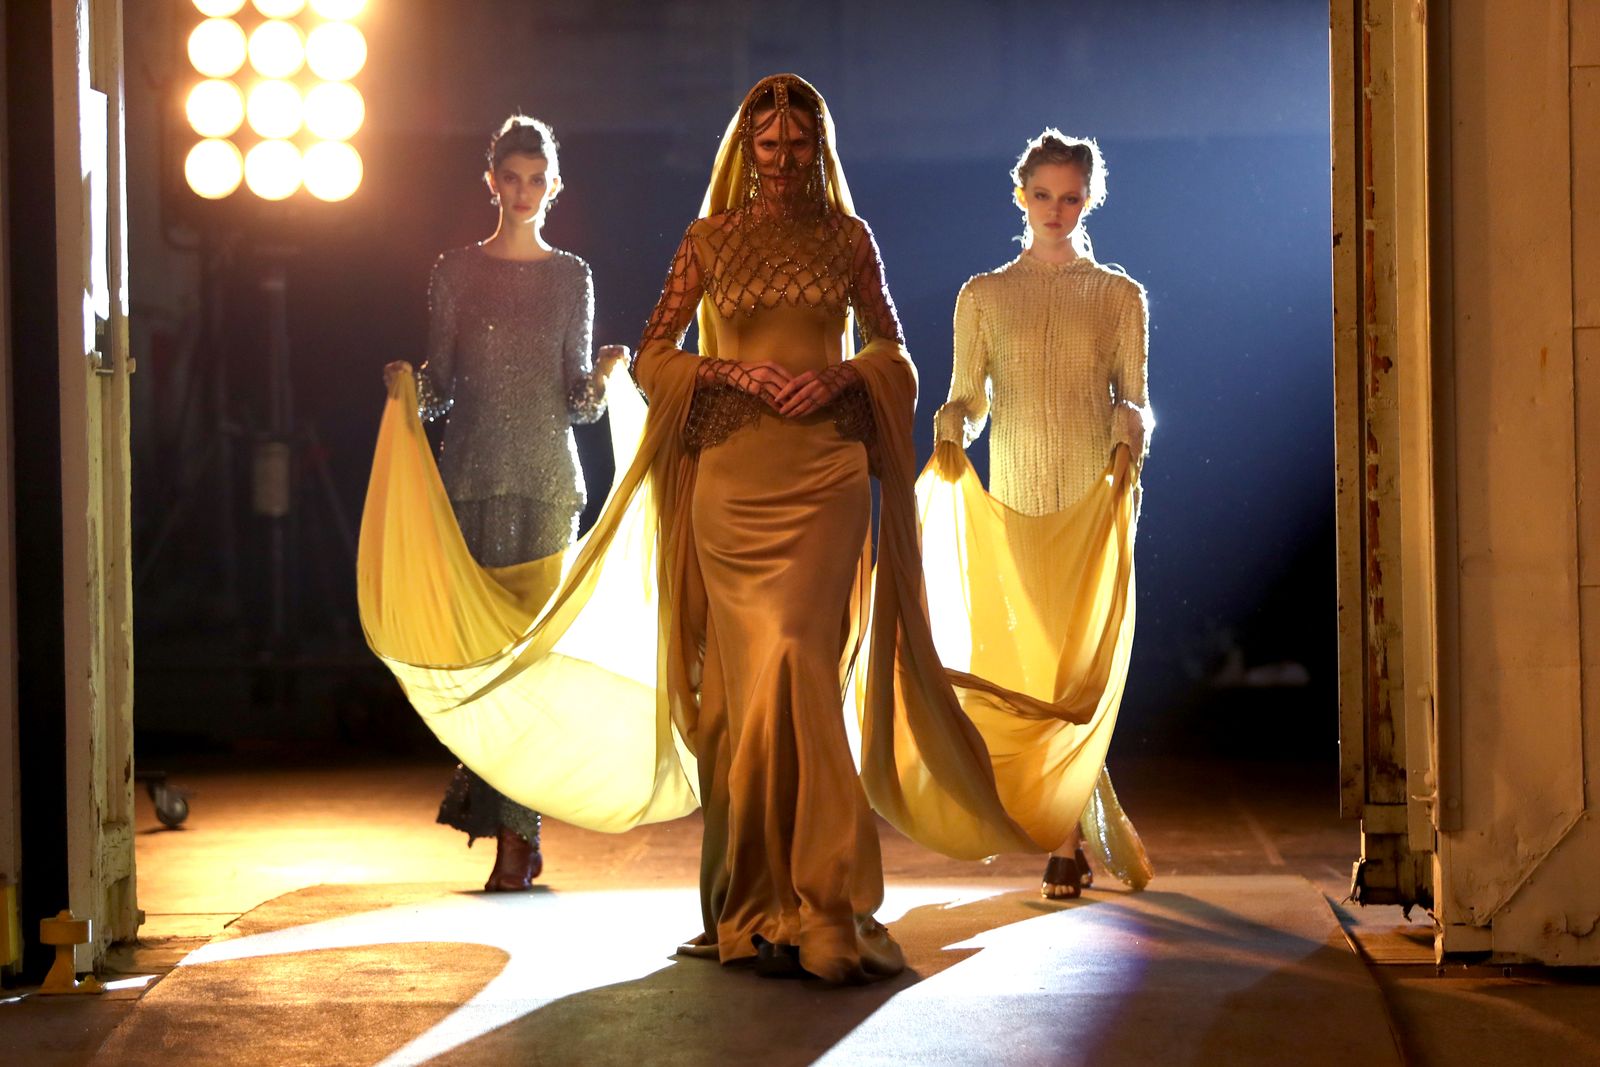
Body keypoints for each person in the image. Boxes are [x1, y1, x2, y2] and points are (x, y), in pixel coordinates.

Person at [359, 75, 1137, 986]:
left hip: (827, 472)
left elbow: (892, 352)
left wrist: (841, 381)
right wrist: (733, 378)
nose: (781, 161)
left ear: (819, 149)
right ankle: (750, 905)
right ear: (745, 149)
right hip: (733, 476)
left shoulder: (850, 239)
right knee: (744, 688)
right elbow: (656, 353)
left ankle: (825, 904)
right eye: (766, 147)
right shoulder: (708, 239)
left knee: (804, 660)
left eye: (798, 147)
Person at [382, 115, 628, 892]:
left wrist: (609, 375)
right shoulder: (455, 271)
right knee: (484, 660)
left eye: (536, 180)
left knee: (530, 664)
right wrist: (407, 390)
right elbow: (444, 387)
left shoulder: (571, 277)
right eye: (510, 177)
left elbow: (578, 405)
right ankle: (513, 833)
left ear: (553, 189)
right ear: (491, 181)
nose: (522, 192)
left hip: (552, 486)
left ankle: (516, 841)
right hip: (471, 478)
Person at [933, 129, 1155, 898]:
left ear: (1089, 198)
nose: (1055, 209)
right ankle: (1063, 829)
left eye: (1070, 196)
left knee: (1076, 669)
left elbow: (1135, 397)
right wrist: (951, 426)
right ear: (1019, 197)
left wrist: (1132, 435)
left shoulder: (1121, 297)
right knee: (1034, 671)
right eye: (1042, 195)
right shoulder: (983, 295)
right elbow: (972, 395)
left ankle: (1064, 839)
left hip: (1091, 502)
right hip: (1019, 502)